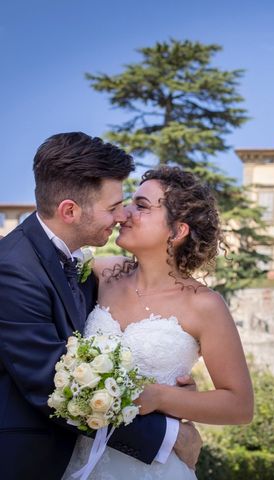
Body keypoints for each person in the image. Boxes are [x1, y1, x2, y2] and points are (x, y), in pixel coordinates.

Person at [0, 133, 203, 479]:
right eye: (112, 207)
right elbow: (53, 385)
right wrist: (170, 436)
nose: (123, 214)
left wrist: (174, 393)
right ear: (69, 211)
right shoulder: (13, 269)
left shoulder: (90, 268)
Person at [63, 166, 254, 478]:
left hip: (152, 468)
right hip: (78, 459)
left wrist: (164, 397)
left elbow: (240, 405)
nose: (123, 214)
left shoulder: (205, 305)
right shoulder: (102, 272)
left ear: (178, 231)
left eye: (141, 206)